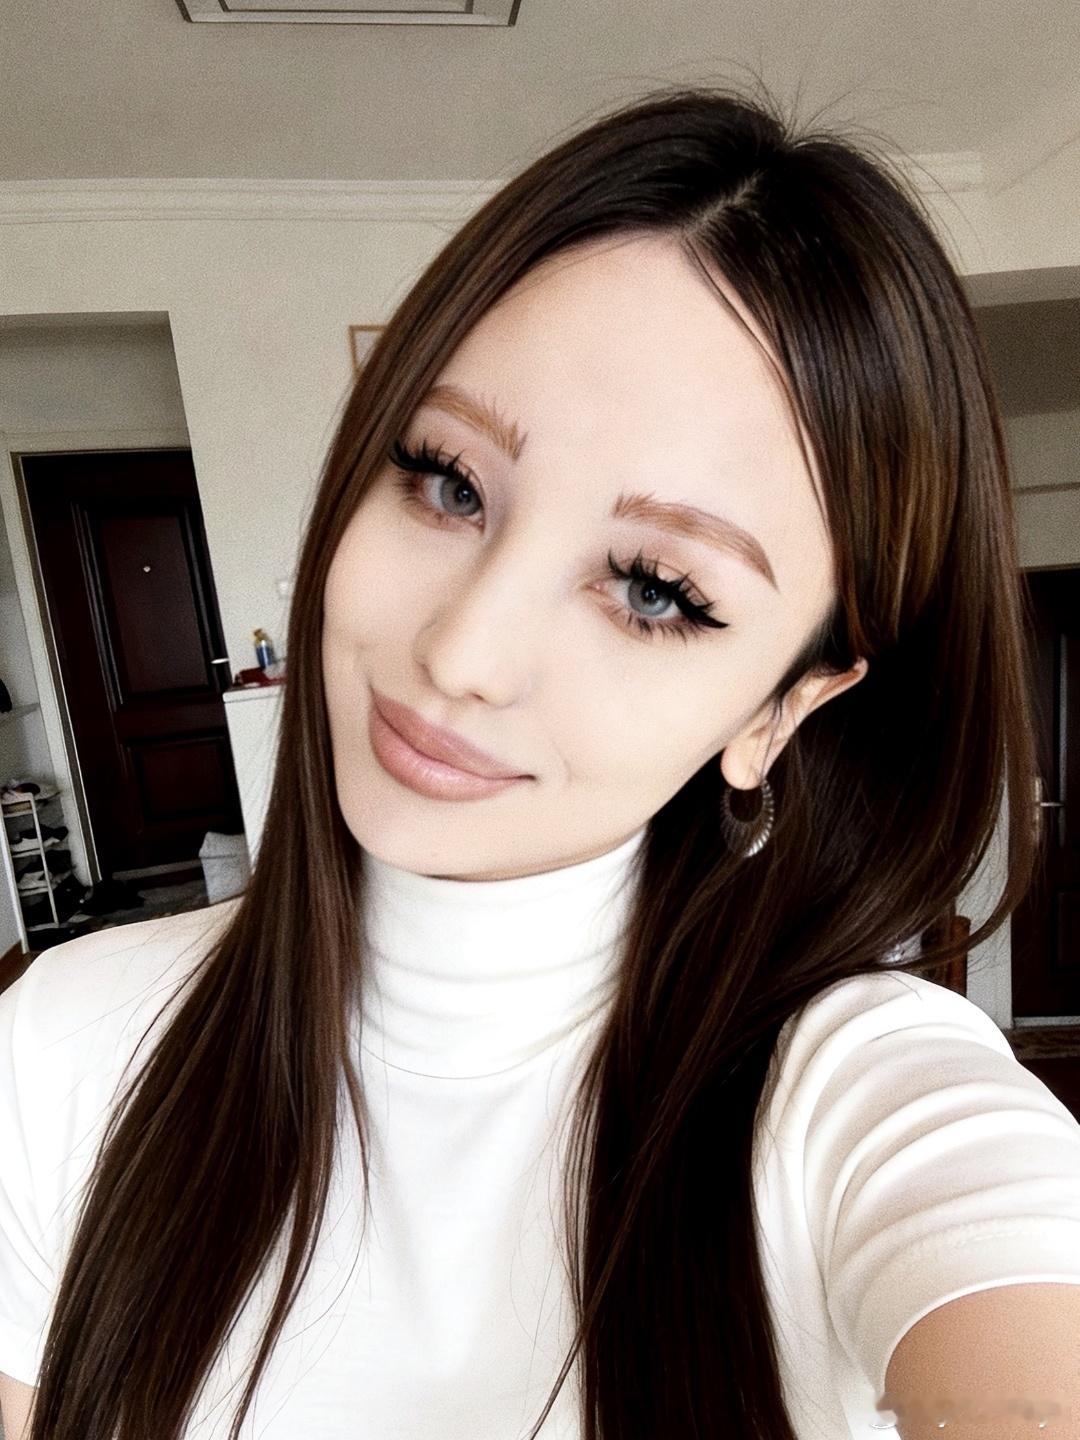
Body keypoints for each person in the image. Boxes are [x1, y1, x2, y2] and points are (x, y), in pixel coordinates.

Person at [2, 81, 1080, 1440]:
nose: (462, 652)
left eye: (654, 590)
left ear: (780, 712)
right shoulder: (64, 1044)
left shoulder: (860, 1099)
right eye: (448, 481)